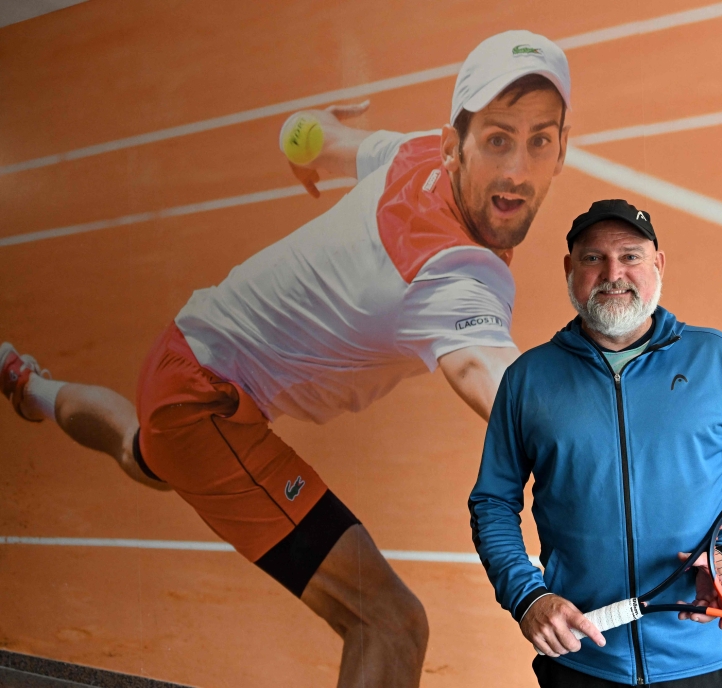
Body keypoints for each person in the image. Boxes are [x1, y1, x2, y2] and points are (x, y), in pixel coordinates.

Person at [1, 30, 571, 688]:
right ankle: (36, 389)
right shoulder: (454, 275)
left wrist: (301, 132)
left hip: (185, 347)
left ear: (561, 148)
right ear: (457, 146)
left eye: (540, 140)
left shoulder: (415, 154)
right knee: (389, 623)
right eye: (499, 138)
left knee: (144, 452)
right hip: (207, 406)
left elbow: (319, 138)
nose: (518, 167)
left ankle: (29, 386)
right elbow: (499, 385)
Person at [469, 199, 722, 687]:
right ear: (569, 269)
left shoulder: (716, 359)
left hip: (709, 659)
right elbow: (492, 503)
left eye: (631, 256)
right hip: (583, 662)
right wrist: (527, 597)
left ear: (657, 264)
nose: (613, 272)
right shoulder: (528, 379)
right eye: (593, 257)